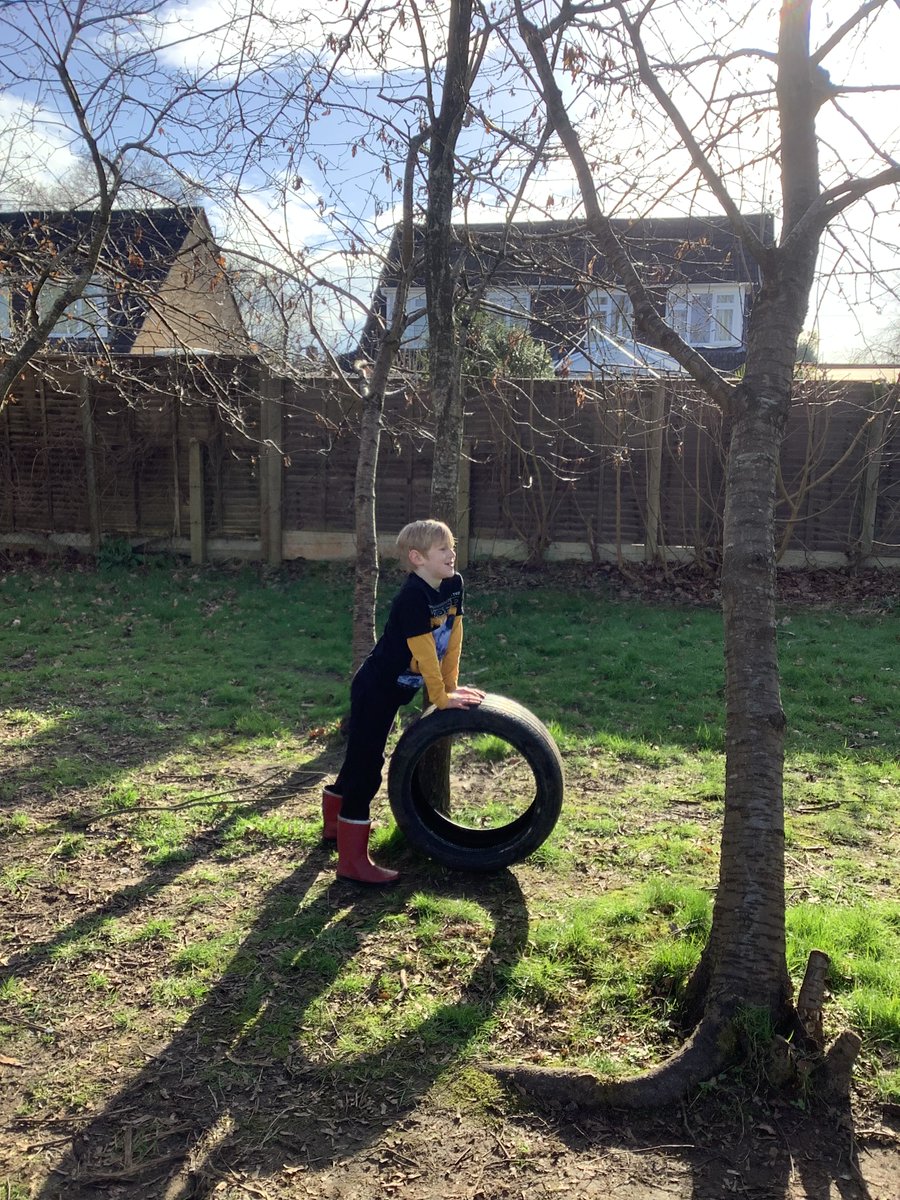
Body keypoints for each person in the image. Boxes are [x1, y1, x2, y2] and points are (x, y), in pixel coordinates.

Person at [323, 519, 485, 885]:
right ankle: (352, 862)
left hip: (396, 687)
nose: (452, 553)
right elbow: (425, 651)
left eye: (452, 546)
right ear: (417, 558)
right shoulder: (412, 598)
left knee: (360, 756)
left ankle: (334, 827)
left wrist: (451, 686)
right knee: (367, 767)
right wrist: (440, 697)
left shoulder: (453, 584)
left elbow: (453, 635)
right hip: (375, 688)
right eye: (442, 549)